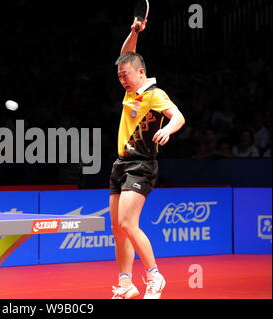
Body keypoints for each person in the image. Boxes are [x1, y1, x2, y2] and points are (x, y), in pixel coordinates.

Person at [109, 19, 185, 299]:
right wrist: (133, 32)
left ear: (141, 73)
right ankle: (126, 283)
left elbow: (178, 116)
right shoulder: (130, 93)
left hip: (141, 164)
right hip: (121, 164)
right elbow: (126, 56)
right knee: (118, 229)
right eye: (119, 76)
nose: (122, 78)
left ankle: (155, 276)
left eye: (126, 74)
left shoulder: (154, 94)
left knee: (129, 224)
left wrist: (167, 129)